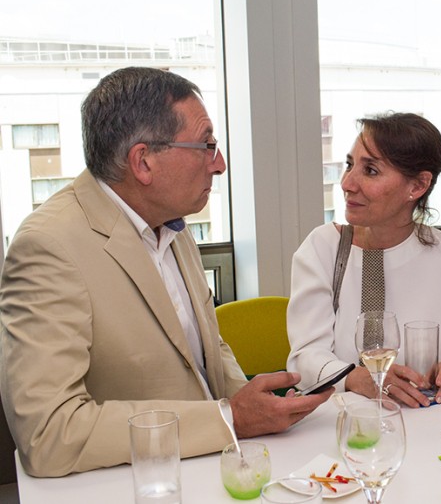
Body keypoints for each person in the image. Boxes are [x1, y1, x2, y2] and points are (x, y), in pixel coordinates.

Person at [0, 67, 332, 478]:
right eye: (207, 145)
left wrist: (253, 405)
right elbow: (48, 434)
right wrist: (229, 419)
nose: (220, 164)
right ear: (143, 161)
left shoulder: (171, 222)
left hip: (218, 471)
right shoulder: (49, 245)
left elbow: (206, 349)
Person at [286, 112, 441, 407]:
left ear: (417, 186)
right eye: (350, 165)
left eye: (370, 171)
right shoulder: (323, 249)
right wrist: (358, 378)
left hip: (437, 430)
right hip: (346, 431)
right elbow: (305, 357)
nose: (347, 183)